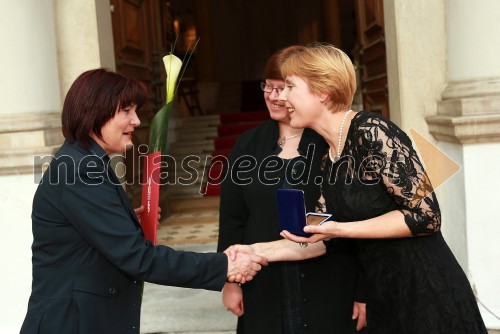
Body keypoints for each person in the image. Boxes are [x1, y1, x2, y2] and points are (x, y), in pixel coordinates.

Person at [228, 43, 487, 333]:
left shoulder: (371, 131)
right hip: (384, 294)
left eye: (289, 87)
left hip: (424, 289)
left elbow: (426, 216)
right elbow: (320, 237)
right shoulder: (330, 155)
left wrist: (341, 229)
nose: (281, 97)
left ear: (322, 91)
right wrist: (253, 251)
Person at [20, 69, 267, 334]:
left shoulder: (85, 162)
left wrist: (124, 223)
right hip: (74, 322)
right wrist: (224, 266)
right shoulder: (80, 171)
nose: (136, 120)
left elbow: (85, 237)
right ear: (95, 111)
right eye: (126, 110)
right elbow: (138, 258)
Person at [217, 45, 366, 333]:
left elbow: (358, 220)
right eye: (268, 87)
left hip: (332, 281)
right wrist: (229, 280)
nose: (274, 96)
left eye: (283, 87)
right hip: (263, 283)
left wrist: (364, 291)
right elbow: (233, 219)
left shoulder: (331, 141)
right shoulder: (248, 144)